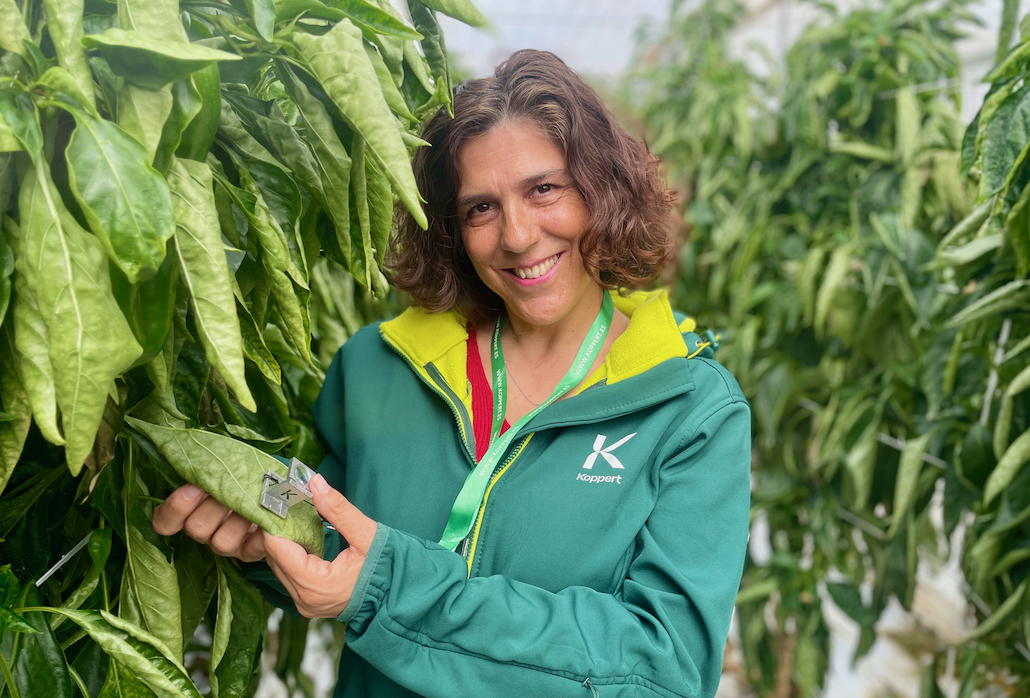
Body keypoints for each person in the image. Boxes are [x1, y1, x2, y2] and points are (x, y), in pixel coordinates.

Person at [153, 49, 751, 698]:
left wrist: (392, 588)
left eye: (544, 189)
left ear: (601, 189)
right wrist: (265, 542)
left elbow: (664, 668)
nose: (518, 236)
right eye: (481, 209)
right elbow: (335, 539)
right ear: (452, 231)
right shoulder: (380, 367)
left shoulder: (689, 408)